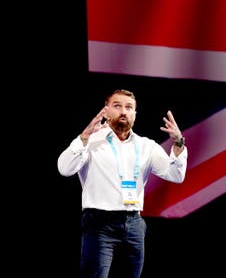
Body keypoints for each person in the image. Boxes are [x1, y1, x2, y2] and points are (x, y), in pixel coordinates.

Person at [57, 88, 188, 278]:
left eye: (129, 107)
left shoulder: (146, 146)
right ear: (106, 110)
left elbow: (176, 175)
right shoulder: (90, 142)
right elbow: (64, 168)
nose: (123, 111)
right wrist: (83, 138)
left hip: (133, 224)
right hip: (99, 224)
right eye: (117, 106)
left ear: (135, 114)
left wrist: (178, 143)